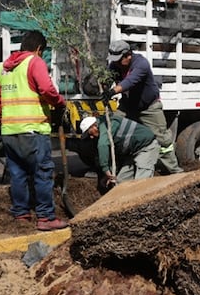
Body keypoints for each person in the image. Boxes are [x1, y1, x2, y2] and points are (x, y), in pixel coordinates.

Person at [0, 30, 69, 230]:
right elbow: (46, 89)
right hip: (33, 129)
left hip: (9, 131)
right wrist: (60, 103)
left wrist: (6, 121)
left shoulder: (3, 69)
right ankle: (45, 218)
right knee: (42, 172)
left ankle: (21, 213)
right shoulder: (35, 62)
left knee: (17, 174)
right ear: (38, 49)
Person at [108, 40, 184, 174]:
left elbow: (130, 81)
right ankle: (118, 168)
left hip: (149, 107)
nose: (116, 63)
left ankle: (174, 171)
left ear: (128, 55)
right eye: (114, 60)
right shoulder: (115, 66)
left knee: (162, 138)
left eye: (119, 60)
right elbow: (106, 78)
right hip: (128, 107)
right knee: (114, 128)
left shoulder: (141, 64)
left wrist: (113, 91)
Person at [79, 114, 160, 186]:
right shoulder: (105, 130)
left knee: (141, 182)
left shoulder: (106, 125)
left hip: (146, 147)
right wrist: (109, 175)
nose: (91, 137)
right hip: (133, 152)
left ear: (94, 126)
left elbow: (102, 145)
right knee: (120, 182)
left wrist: (106, 170)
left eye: (90, 133)